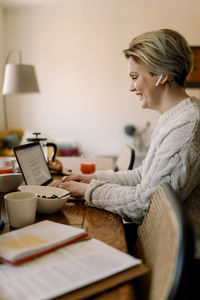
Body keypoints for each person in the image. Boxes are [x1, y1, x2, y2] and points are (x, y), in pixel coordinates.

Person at [58, 29, 200, 260]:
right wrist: (94, 178)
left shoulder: (188, 125)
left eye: (135, 77)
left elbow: (146, 203)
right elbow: (145, 176)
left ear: (162, 75)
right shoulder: (172, 118)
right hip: (164, 245)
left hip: (181, 259)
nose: (131, 87)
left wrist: (87, 191)